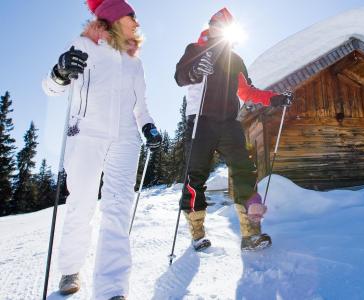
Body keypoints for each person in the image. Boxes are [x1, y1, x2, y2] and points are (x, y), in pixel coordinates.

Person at [42, 0, 162, 299]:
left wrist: (148, 125)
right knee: (81, 203)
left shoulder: (134, 61)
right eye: (130, 17)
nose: (136, 22)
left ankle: (112, 288)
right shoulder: (84, 45)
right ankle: (71, 268)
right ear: (113, 19)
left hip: (125, 137)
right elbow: (52, 88)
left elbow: (141, 106)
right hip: (86, 133)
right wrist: (60, 72)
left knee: (118, 207)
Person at [174, 8, 293, 252]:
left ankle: (251, 233)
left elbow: (248, 92)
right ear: (210, 26)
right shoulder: (195, 50)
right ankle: (197, 232)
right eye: (217, 25)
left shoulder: (235, 59)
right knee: (194, 177)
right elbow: (180, 76)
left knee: (244, 171)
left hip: (228, 122)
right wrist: (196, 70)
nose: (220, 30)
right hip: (200, 121)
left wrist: (275, 98)